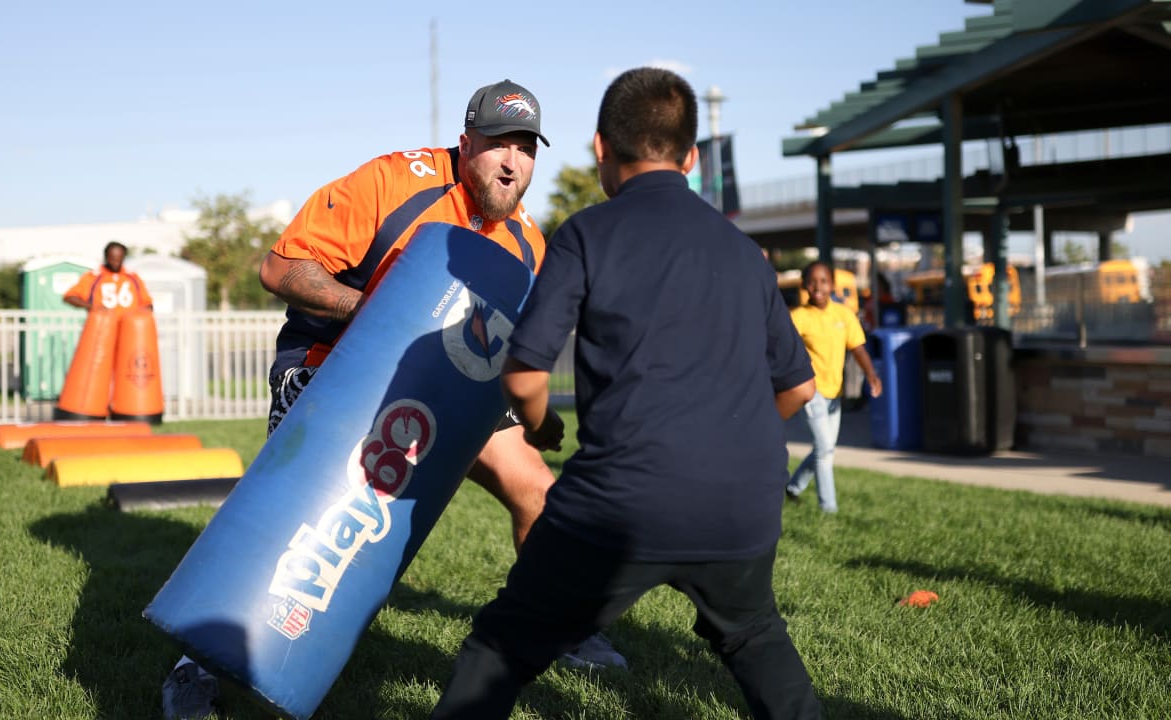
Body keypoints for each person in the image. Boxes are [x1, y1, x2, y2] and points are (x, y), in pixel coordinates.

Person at [160, 79, 626, 720]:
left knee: (537, 492)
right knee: (291, 521)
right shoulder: (395, 182)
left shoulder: (528, 245)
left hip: (450, 390)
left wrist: (525, 415)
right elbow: (281, 268)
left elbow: (503, 354)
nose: (512, 163)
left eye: (525, 148)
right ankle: (194, 670)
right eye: (497, 145)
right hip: (336, 370)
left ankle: (564, 627)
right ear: (467, 143)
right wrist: (377, 315)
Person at [429, 67, 822, 720]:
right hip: (744, 500)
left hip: (623, 499)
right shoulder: (744, 251)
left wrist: (539, 427)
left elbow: (526, 375)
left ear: (600, 148)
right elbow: (799, 385)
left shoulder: (587, 234)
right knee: (753, 632)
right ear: (691, 156)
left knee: (502, 646)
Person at [785, 261, 883, 513]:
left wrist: (871, 375)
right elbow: (780, 351)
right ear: (805, 285)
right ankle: (829, 509)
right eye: (812, 282)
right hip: (811, 391)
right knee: (825, 450)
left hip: (834, 392)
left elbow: (857, 348)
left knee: (824, 448)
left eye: (824, 281)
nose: (818, 287)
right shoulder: (798, 317)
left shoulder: (844, 315)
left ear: (833, 285)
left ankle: (793, 487)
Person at [61, 241, 153, 313]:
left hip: (127, 328)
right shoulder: (93, 276)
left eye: (119, 259)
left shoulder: (133, 277)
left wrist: (139, 313)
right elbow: (69, 296)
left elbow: (148, 304)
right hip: (103, 326)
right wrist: (92, 307)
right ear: (106, 257)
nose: (116, 263)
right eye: (113, 259)